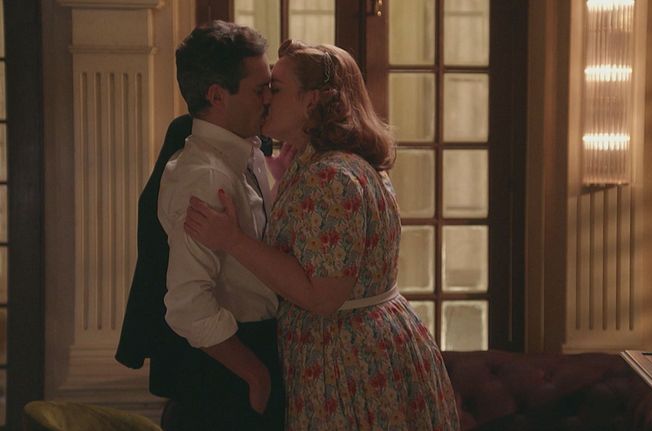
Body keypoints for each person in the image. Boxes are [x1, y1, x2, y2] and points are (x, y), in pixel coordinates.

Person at [184, 39, 460, 430]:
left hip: (349, 363)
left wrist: (232, 240)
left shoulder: (331, 176)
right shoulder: (321, 163)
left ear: (311, 101)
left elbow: (323, 296)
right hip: (353, 351)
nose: (266, 98)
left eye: (277, 88)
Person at [116, 21, 288, 431]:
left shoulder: (249, 153)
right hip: (227, 369)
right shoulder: (205, 177)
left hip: (258, 347)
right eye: (259, 89)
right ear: (216, 96)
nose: (269, 98)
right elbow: (188, 304)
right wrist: (255, 375)